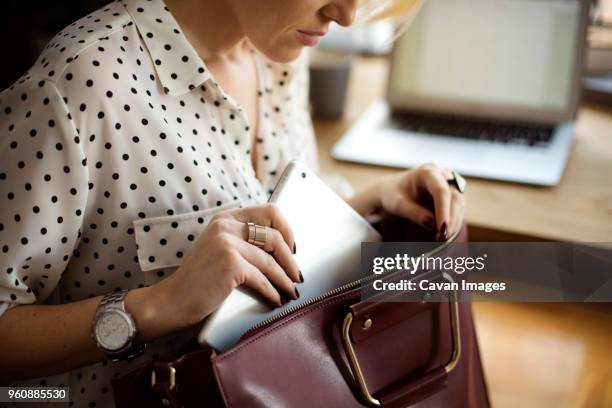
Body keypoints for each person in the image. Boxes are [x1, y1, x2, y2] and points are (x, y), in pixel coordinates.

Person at [0, 0, 464, 406]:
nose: (344, 15)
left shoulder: (281, 53)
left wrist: (374, 199)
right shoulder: (78, 87)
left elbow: (271, 230)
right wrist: (158, 306)